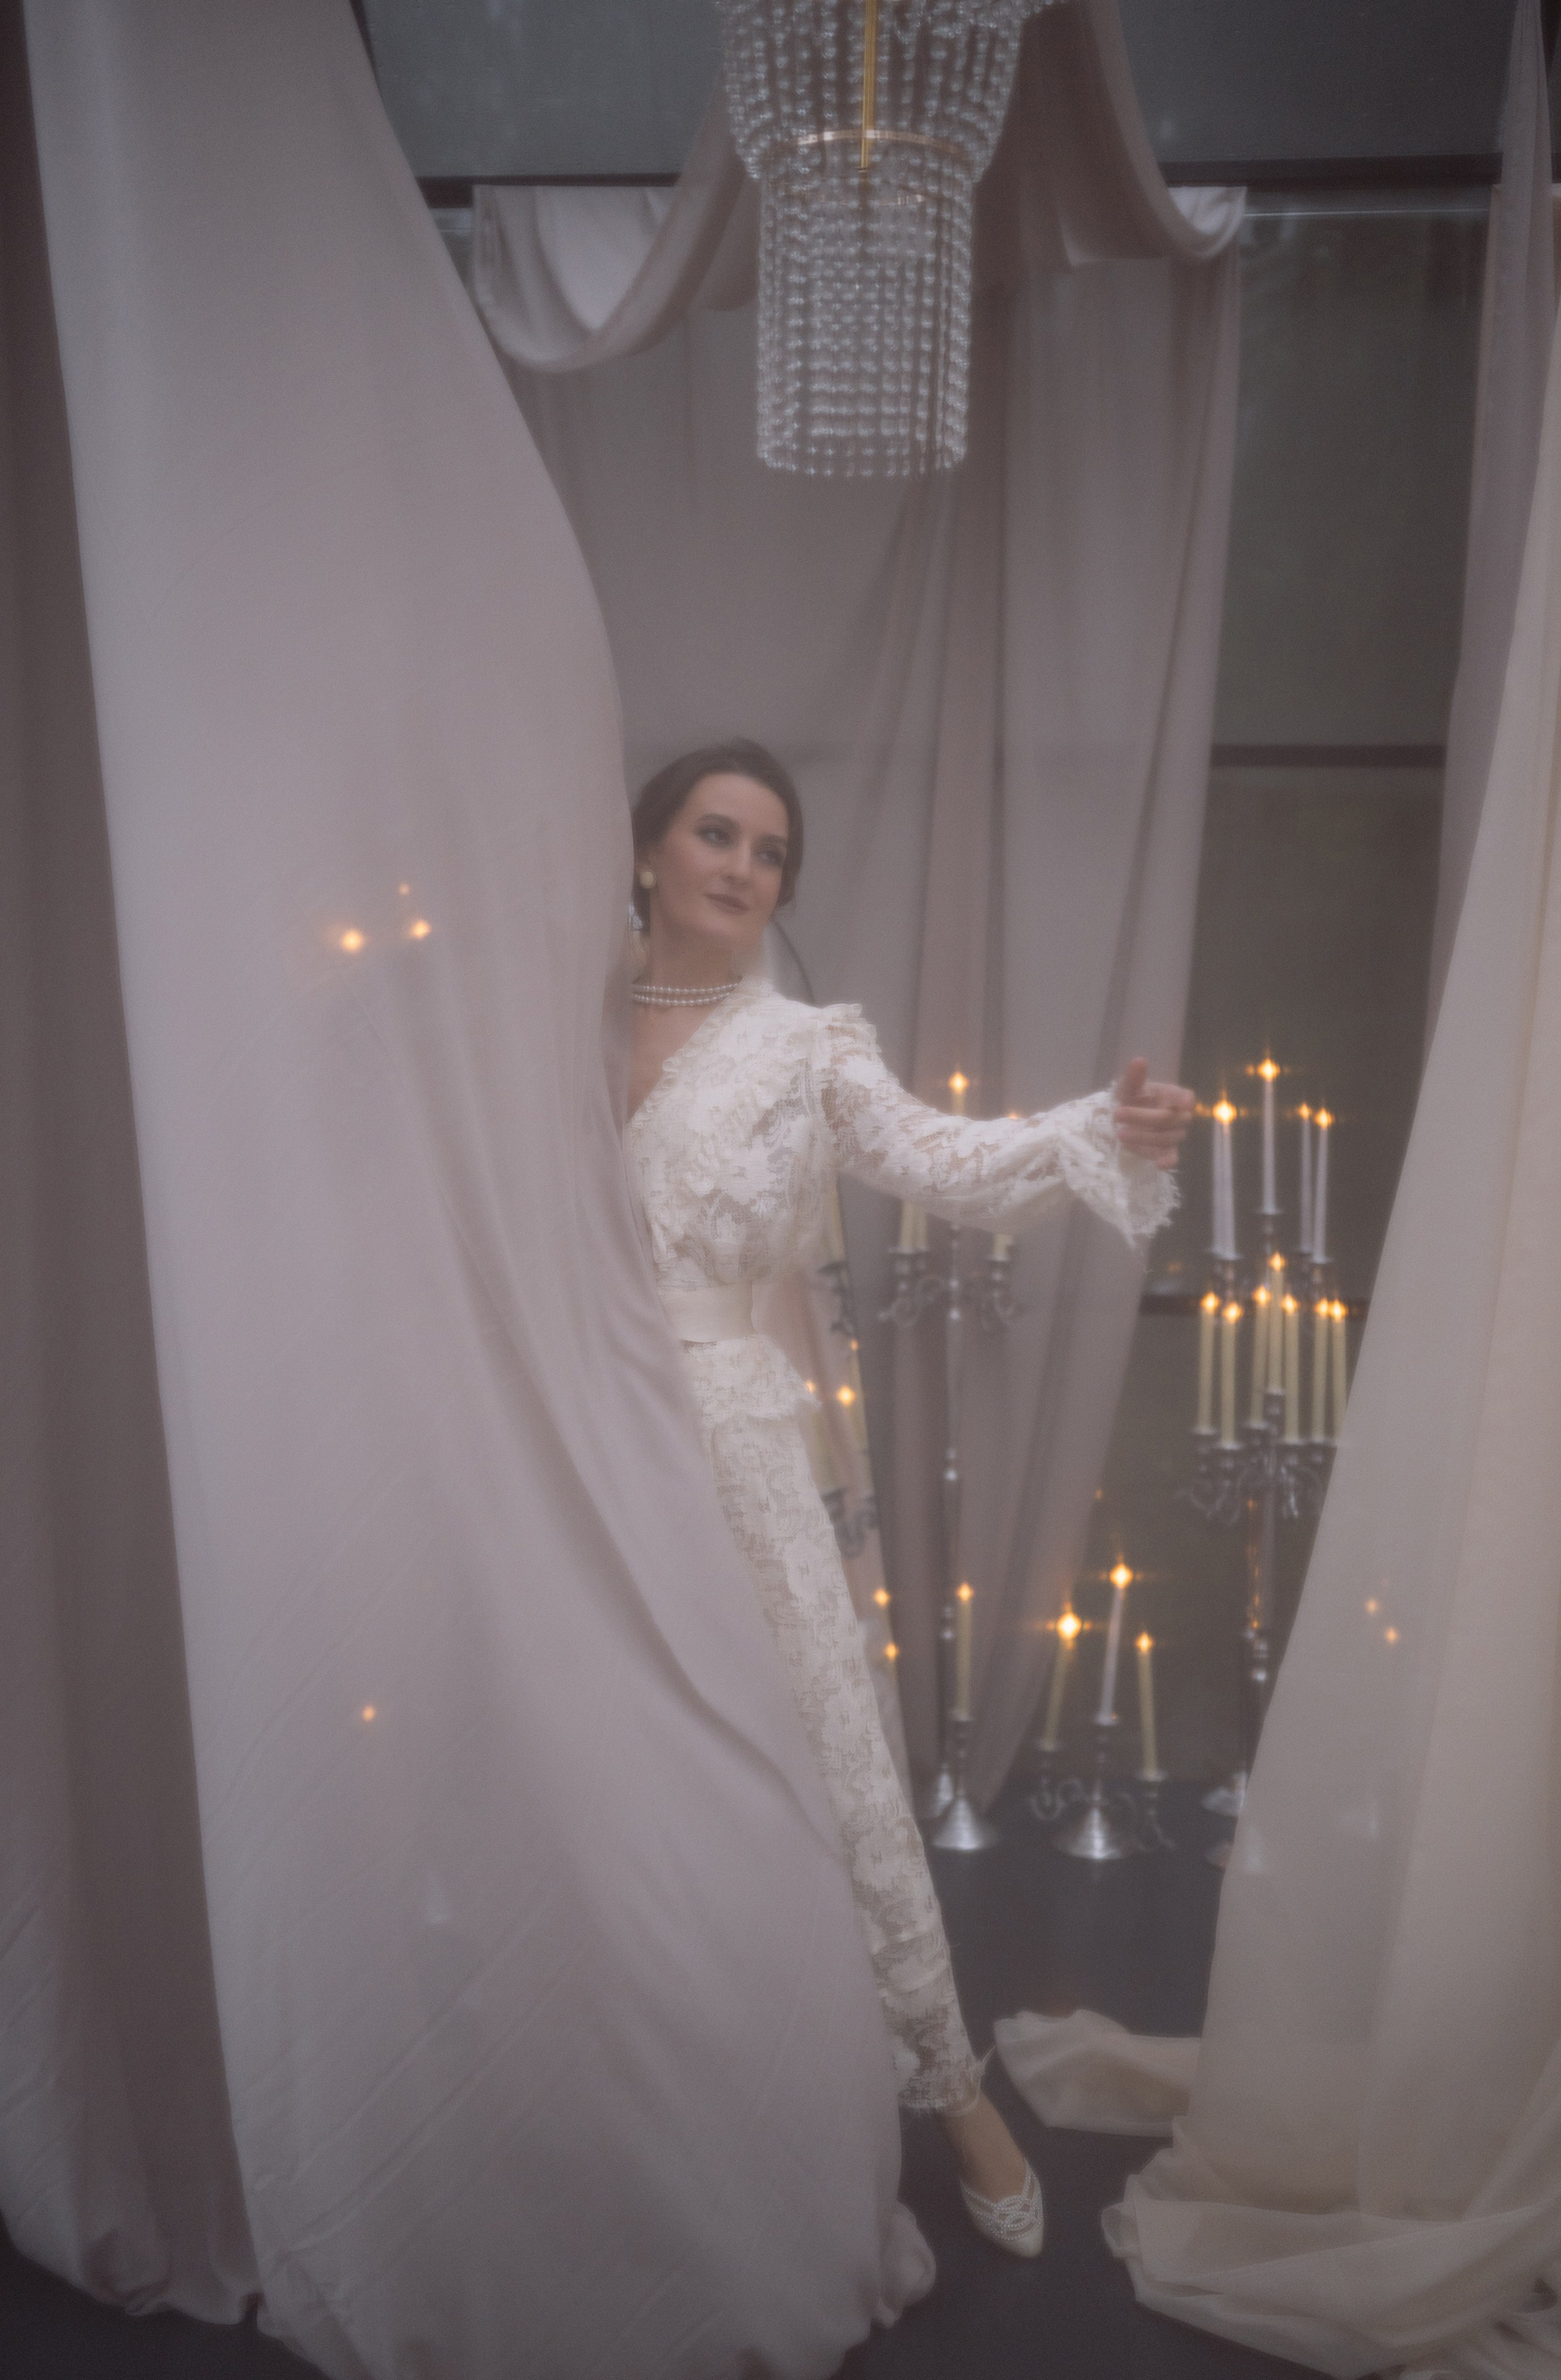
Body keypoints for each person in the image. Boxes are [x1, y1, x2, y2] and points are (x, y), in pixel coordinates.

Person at [624, 739, 1194, 2261]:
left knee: (835, 1765)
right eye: (716, 834)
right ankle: (636, 2094)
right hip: (576, 1436)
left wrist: (1093, 1131)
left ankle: (953, 2093)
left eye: (770, 852)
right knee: (602, 1763)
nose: (744, 868)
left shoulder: (805, 1048)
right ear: (646, 851)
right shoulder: (551, 1029)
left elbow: (946, 1161)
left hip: (729, 1438)